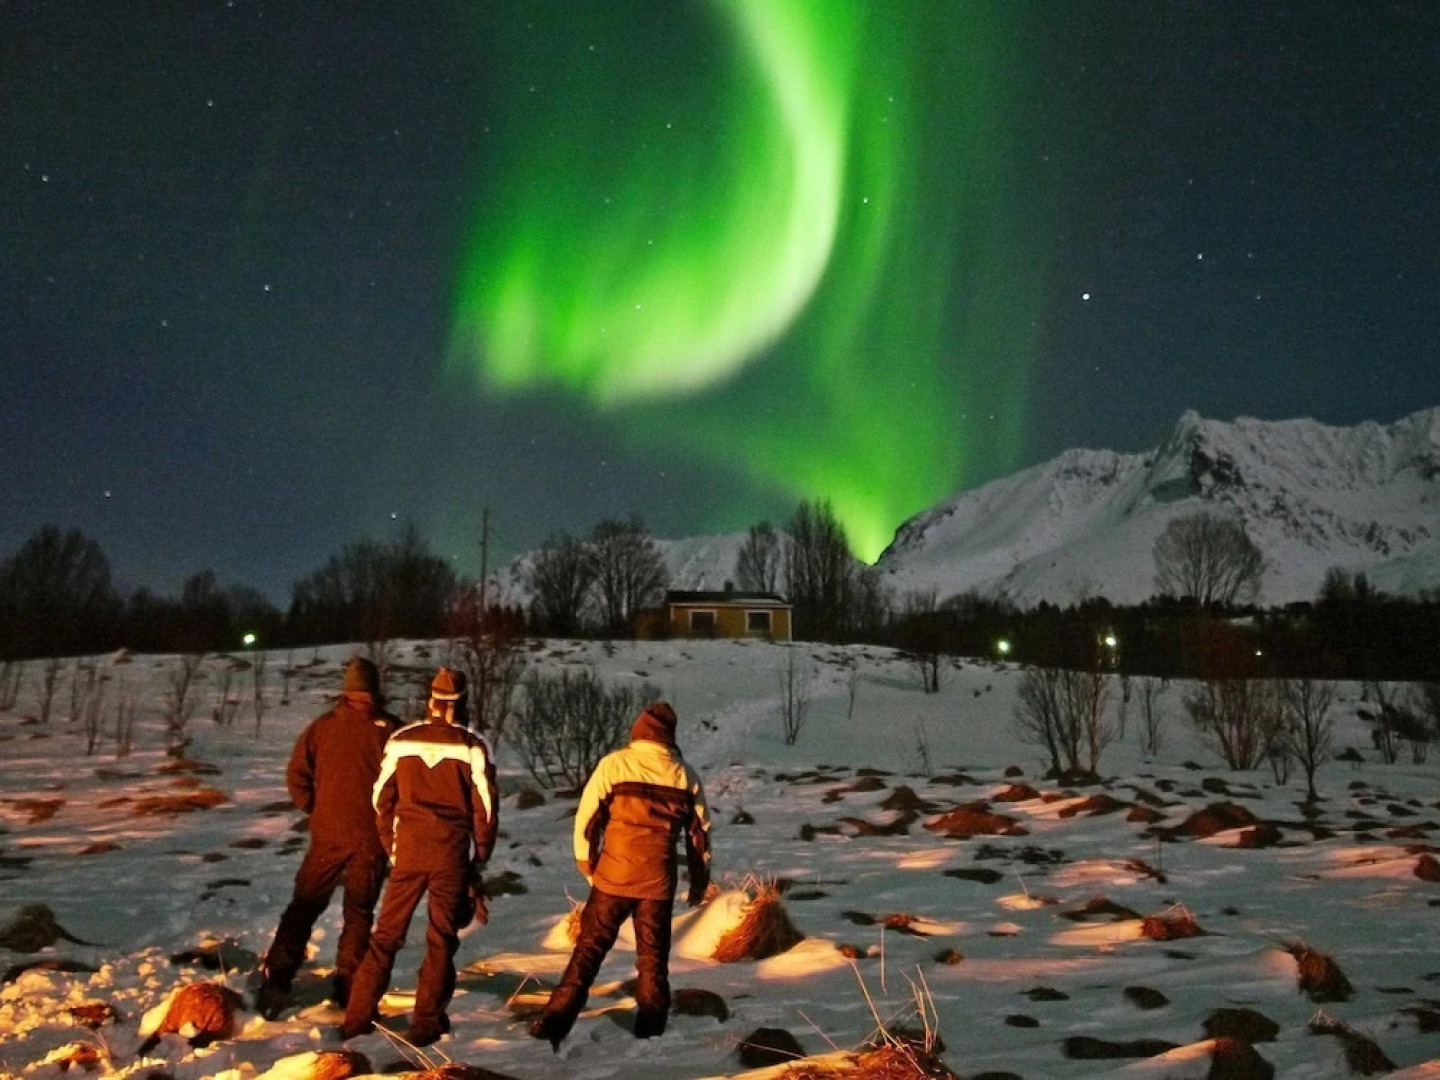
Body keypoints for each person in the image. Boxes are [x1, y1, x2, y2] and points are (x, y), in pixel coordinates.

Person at [529, 701, 711, 1050]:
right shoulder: (684, 774)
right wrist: (699, 880)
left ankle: (554, 1023)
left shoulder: (614, 765)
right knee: (653, 959)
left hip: (613, 877)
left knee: (588, 951)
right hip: (657, 881)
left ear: (638, 733)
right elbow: (700, 834)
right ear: (669, 738)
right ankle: (651, 1028)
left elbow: (587, 818)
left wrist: (588, 863)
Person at [341, 668, 498, 1046]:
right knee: (440, 939)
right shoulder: (472, 746)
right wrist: (478, 858)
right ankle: (426, 1024)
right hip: (450, 855)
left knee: (385, 938)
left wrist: (392, 845)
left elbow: (381, 798)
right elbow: (486, 810)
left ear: (430, 700)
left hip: (408, 853)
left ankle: (356, 1020)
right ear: (462, 704)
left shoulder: (401, 740)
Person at [256, 656, 400, 1020]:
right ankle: (349, 989)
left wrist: (315, 809)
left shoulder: (322, 728)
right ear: (375, 690)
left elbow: (296, 776)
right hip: (372, 838)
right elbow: (405, 787)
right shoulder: (393, 731)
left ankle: (276, 982)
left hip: (328, 834)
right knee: (359, 913)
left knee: (303, 906)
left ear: (346, 690)